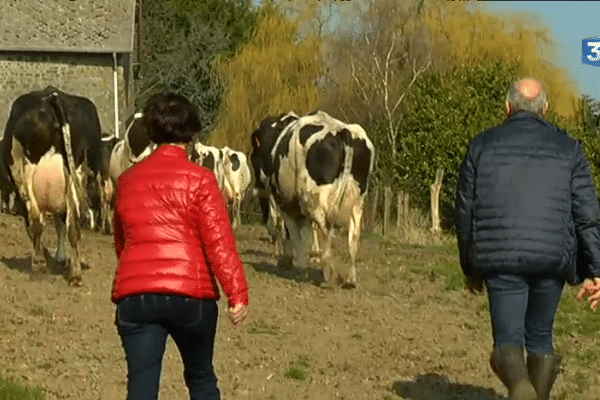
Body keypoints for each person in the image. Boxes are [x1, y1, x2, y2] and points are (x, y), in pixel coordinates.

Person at [455, 78, 600, 400]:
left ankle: (520, 389)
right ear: (545, 109)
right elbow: (588, 212)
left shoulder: (481, 145)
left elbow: (464, 211)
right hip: (552, 258)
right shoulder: (569, 148)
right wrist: (596, 270)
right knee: (540, 338)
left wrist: (470, 267)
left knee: (508, 340)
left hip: (500, 259)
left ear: (507, 107)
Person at [111, 92, 249, 400]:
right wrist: (237, 293)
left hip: (137, 298)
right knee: (200, 379)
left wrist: (138, 277)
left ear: (150, 132)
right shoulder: (200, 179)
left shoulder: (127, 181)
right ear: (192, 133)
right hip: (191, 297)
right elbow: (219, 241)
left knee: (141, 387)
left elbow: (122, 241)